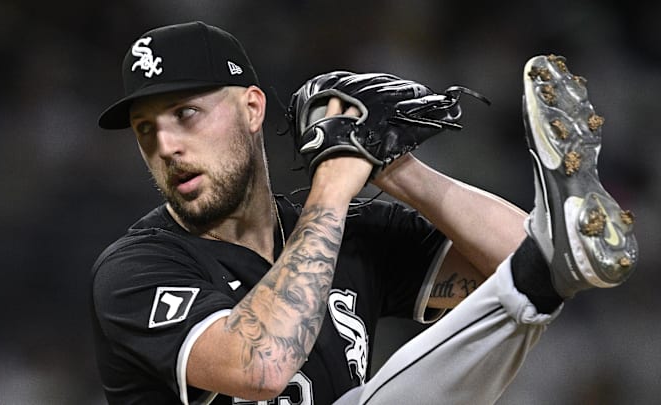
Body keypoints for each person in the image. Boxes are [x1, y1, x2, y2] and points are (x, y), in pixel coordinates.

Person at [91, 21, 638, 405]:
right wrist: (333, 184)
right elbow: (259, 369)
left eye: (185, 114)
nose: (166, 146)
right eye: (146, 130)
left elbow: (525, 266)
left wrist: (393, 167)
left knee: (532, 283)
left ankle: (559, 220)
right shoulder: (137, 271)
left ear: (251, 108)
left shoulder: (352, 233)